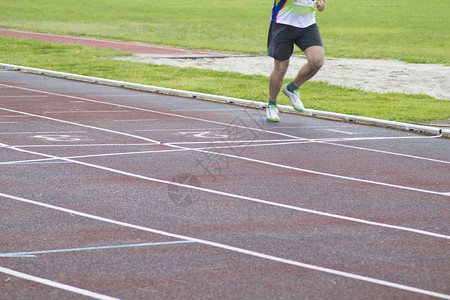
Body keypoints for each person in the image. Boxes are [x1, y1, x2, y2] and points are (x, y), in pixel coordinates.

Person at [266, 0, 326, 122]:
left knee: (317, 60)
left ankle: (292, 88)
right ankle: (272, 104)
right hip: (283, 22)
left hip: (307, 24)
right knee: (281, 67)